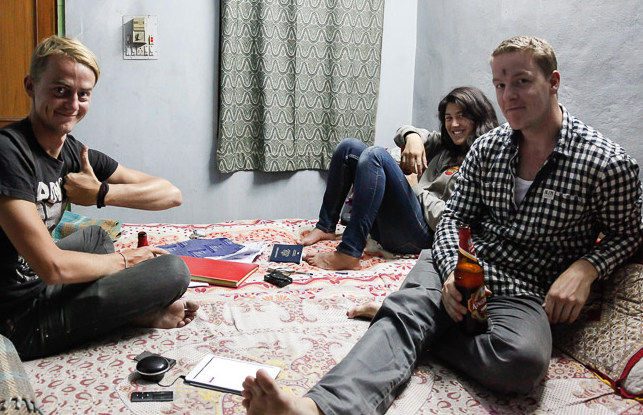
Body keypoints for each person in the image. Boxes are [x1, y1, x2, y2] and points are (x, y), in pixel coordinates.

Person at [241, 36, 642, 414]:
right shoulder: (489, 148)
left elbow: (629, 232)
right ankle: (318, 407)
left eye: (521, 82)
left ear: (553, 82)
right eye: (500, 85)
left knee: (521, 365)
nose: (509, 96)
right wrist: (453, 272)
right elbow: (455, 217)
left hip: (525, 288)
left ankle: (409, 321)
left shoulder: (605, 163)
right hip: (460, 264)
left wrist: (587, 268)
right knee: (409, 312)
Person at [0, 36, 198, 360]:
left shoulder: (71, 152)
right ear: (31, 86)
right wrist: (125, 262)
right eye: (60, 91)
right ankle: (136, 312)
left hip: (33, 280)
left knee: (96, 237)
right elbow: (52, 267)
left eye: (83, 94)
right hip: (9, 319)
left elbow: (171, 194)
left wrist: (101, 193)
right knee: (173, 271)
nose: (72, 104)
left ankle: (129, 309)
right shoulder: (3, 152)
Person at [301, 87, 498, 272]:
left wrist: (415, 188)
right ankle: (325, 226)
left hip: (422, 236)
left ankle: (348, 253)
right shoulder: (443, 144)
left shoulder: (484, 162)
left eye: (461, 117)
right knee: (349, 148)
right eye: (449, 118)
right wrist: (413, 137)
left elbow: (451, 221)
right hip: (399, 223)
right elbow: (402, 133)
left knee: (375, 155)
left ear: (478, 118)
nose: (454, 125)